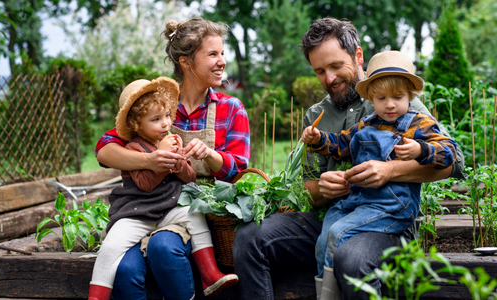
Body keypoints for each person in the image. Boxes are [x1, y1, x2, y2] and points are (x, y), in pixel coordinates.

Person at [232, 18, 465, 300]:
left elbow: (453, 162)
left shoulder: (395, 97)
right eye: (320, 71)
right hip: (334, 216)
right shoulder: (316, 116)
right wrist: (324, 188)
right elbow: (311, 191)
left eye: (335, 66)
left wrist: (390, 170)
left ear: (357, 56)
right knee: (249, 236)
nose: (329, 78)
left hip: (386, 221)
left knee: (350, 257)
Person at [94, 17, 250, 300]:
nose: (222, 61)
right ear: (186, 62)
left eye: (222, 53)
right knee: (125, 271)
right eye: (212, 54)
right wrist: (150, 161)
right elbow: (104, 149)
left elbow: (239, 169)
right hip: (145, 208)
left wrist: (211, 156)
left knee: (162, 248)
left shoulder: (231, 108)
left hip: (196, 214)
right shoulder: (158, 107)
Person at [301, 50, 458, 298]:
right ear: (371, 98)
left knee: (336, 234)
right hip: (360, 202)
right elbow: (341, 145)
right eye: (382, 98)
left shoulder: (418, 125)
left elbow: (450, 152)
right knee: (325, 236)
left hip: (392, 207)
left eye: (398, 97)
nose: (390, 104)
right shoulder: (367, 124)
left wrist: (420, 148)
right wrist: (319, 138)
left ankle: (328, 295)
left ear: (411, 96)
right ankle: (325, 288)